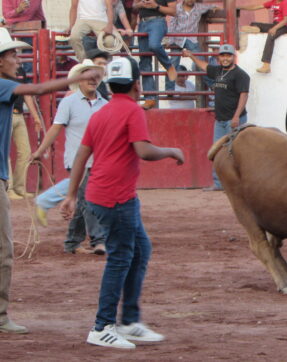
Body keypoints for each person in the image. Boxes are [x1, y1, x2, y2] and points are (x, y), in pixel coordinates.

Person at [59, 56, 184, 349]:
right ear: (137, 85)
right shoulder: (131, 111)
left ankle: (128, 321)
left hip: (105, 194)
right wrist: (171, 151)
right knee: (122, 257)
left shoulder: (101, 112)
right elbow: (143, 150)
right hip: (117, 197)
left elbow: (81, 155)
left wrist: (70, 195)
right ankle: (103, 326)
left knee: (139, 250)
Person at [0, 27, 102, 334]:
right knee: (3, 250)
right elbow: (39, 90)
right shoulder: (4, 85)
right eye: (13, 54)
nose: (18, 58)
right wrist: (75, 79)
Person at [31, 60, 108, 255]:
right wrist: (40, 151)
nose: (92, 80)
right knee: (89, 200)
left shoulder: (105, 105)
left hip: (98, 161)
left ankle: (73, 242)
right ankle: (98, 240)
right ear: (80, 79)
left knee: (83, 201)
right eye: (88, 76)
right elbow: (55, 128)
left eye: (95, 76)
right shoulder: (69, 102)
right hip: (77, 161)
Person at [183, 44, 250, 191]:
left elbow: (244, 96)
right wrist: (192, 56)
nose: (225, 58)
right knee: (218, 152)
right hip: (220, 120)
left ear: (233, 57)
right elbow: (205, 66)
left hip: (233, 120)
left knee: (235, 153)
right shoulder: (218, 71)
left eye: (228, 56)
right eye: (223, 56)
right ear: (219, 57)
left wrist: (236, 116)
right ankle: (219, 184)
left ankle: (237, 184)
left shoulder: (241, 75)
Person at [133, 0, 178, 110]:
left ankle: (169, 66)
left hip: (158, 21)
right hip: (142, 23)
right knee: (144, 60)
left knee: (154, 45)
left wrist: (156, 6)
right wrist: (141, 4)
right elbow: (134, 6)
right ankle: (150, 98)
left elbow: (173, 11)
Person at [7, 65, 42, 200]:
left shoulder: (19, 70)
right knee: (7, 153)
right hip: (7, 114)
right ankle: (10, 188)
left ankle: (18, 188)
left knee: (25, 152)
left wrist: (36, 116)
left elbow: (26, 94)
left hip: (18, 114)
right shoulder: (17, 70)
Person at [165, 0, 215, 91]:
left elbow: (211, 6)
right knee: (173, 63)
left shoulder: (199, 7)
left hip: (191, 38)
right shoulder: (177, 8)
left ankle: (212, 84)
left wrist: (215, 7)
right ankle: (169, 89)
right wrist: (170, 40)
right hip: (177, 38)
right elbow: (172, 24)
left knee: (200, 61)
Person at [239, 0, 287, 74]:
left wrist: (275, 28)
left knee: (271, 34)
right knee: (253, 23)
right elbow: (256, 7)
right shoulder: (273, 2)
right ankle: (257, 28)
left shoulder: (285, 3)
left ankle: (266, 65)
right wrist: (239, 7)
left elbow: (286, 20)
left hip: (284, 26)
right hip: (275, 24)